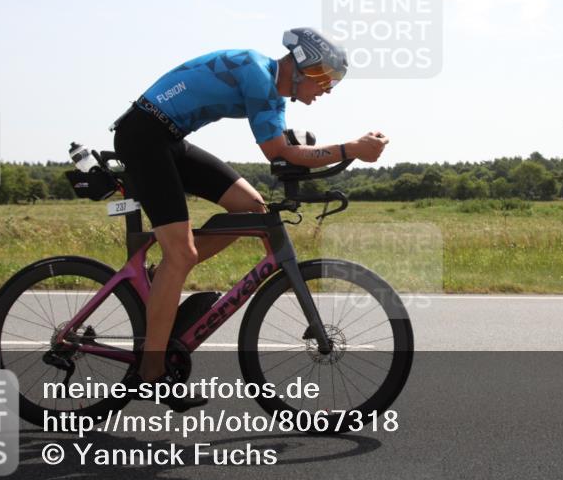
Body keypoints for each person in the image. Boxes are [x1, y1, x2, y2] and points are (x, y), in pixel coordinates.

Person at [111, 27, 389, 408]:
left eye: (333, 82)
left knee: (252, 208)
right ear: (304, 65)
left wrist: (348, 151)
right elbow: (279, 151)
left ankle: (162, 279)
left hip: (169, 138)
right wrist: (350, 148)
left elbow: (287, 152)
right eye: (326, 78)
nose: (327, 88)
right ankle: (151, 373)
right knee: (182, 255)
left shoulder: (273, 93)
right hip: (144, 136)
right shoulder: (259, 76)